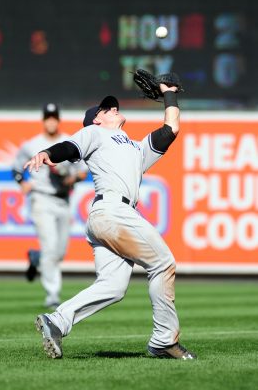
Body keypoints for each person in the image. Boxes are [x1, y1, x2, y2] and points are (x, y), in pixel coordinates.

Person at [24, 84, 197, 360]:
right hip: (113, 212)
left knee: (114, 287)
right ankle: (164, 340)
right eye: (106, 107)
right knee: (163, 263)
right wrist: (48, 153)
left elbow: (171, 130)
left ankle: (57, 321)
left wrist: (170, 94)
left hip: (107, 218)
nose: (112, 108)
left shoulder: (135, 148)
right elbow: (70, 146)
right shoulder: (96, 133)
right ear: (97, 118)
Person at [12, 102, 87, 308]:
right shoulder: (32, 144)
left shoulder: (68, 142)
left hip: (63, 199)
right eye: (48, 118)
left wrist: (73, 179)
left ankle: (37, 258)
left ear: (58, 120)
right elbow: (16, 168)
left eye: (54, 118)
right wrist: (22, 182)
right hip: (41, 198)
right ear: (44, 121)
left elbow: (82, 171)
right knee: (51, 246)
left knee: (60, 251)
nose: (51, 121)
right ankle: (52, 294)